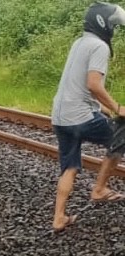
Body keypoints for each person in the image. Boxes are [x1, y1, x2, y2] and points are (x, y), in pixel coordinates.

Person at [51, 2, 125, 232]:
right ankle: (100, 189)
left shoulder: (79, 42)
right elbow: (93, 85)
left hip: (60, 117)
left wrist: (98, 108)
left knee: (69, 167)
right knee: (121, 135)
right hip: (79, 117)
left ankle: (59, 218)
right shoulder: (99, 46)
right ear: (104, 24)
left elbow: (78, 86)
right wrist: (116, 107)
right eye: (113, 25)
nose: (113, 29)